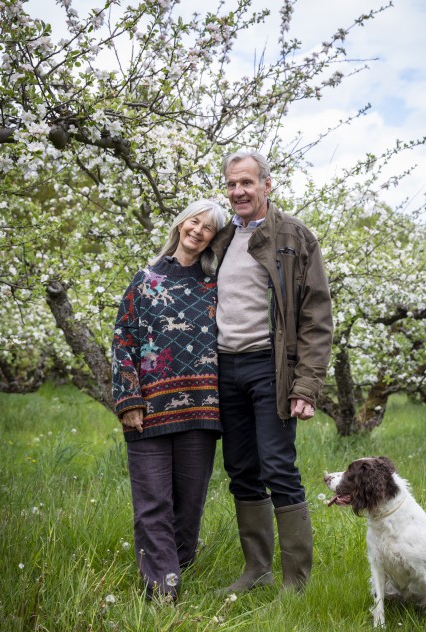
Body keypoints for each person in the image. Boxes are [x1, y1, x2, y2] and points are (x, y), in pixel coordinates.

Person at [213, 151, 333, 592]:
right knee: (240, 468)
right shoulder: (221, 238)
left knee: (278, 467)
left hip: (270, 368)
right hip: (226, 368)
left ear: (267, 184)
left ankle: (296, 581)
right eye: (231, 184)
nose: (238, 192)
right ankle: (256, 570)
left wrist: (306, 385)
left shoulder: (295, 237)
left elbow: (316, 316)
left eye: (247, 182)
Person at [111, 199, 226, 600]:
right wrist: (128, 399)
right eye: (194, 221)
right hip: (150, 412)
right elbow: (123, 340)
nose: (197, 230)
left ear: (213, 238)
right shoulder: (143, 282)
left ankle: (175, 569)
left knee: (189, 506)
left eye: (208, 228)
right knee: (152, 503)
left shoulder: (216, 286)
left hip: (202, 409)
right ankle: (162, 591)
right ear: (181, 224)